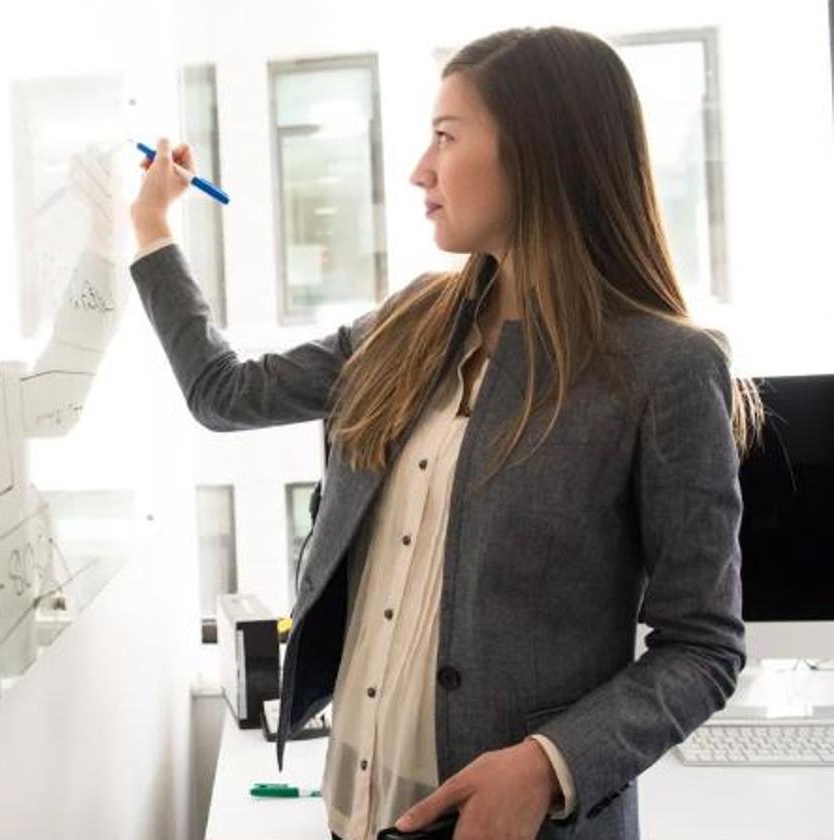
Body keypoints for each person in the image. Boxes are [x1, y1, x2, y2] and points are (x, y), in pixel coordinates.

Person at [128, 25, 762, 840]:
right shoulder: (409, 324)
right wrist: (153, 230)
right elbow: (223, 393)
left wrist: (547, 762)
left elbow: (703, 646)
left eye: (445, 137)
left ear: (539, 153)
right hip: (355, 813)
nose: (419, 170)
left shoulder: (663, 368)